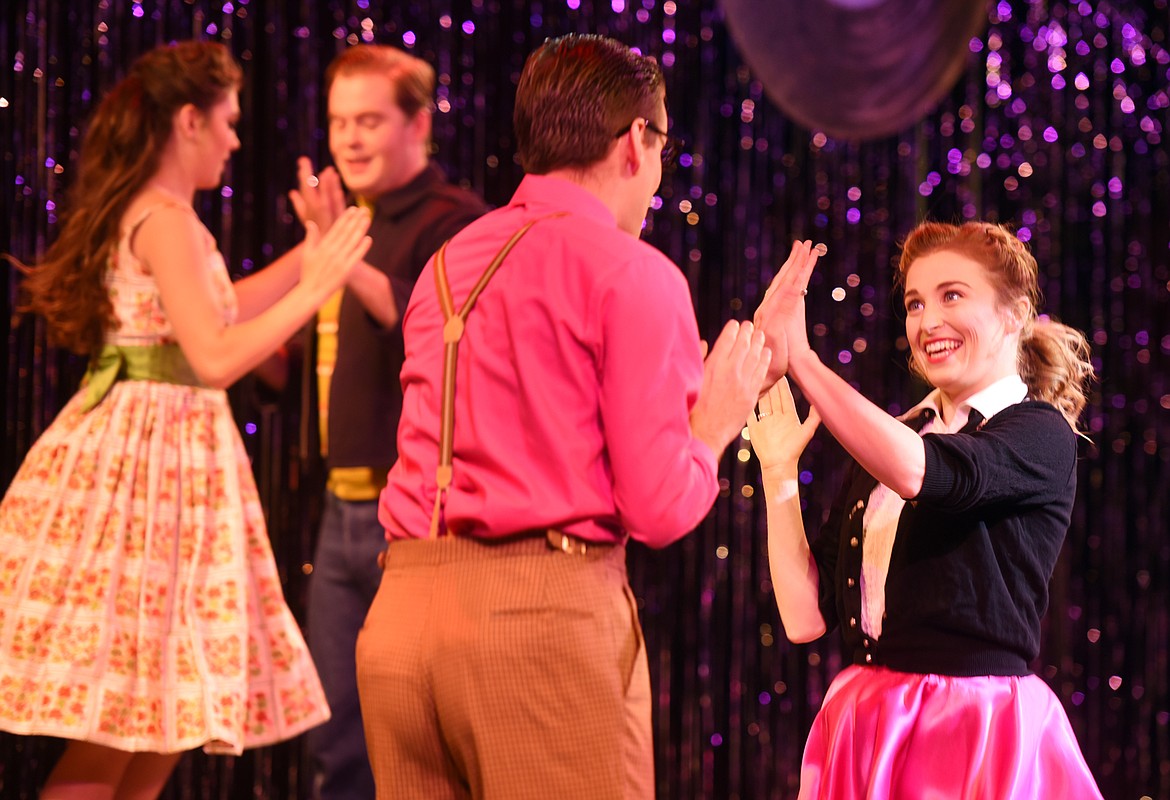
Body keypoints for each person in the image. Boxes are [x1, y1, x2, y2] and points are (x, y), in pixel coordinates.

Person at [354, 34, 770, 800]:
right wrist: (714, 422)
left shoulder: (449, 261)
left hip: (400, 625)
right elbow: (657, 509)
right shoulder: (632, 273)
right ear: (637, 142)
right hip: (534, 627)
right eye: (664, 144)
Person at [0, 41, 372, 800]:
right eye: (229, 122)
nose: (237, 139)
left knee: (160, 722)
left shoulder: (166, 216)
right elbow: (212, 355)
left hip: (176, 464)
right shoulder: (164, 218)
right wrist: (317, 287)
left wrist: (311, 255)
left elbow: (217, 308)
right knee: (117, 732)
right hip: (147, 471)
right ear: (190, 120)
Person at [748, 225, 1103, 798]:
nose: (927, 320)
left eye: (952, 295)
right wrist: (778, 471)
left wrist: (804, 362)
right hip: (869, 721)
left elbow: (928, 474)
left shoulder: (1039, 432)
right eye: (915, 303)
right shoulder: (901, 435)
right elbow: (805, 618)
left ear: (1013, 313)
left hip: (971, 726)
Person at [286, 44, 486, 800]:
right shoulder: (351, 224)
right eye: (339, 123)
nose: (350, 139)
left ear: (418, 123)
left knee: (411, 736)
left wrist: (342, 259)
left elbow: (443, 330)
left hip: (409, 521)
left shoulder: (456, 221)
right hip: (338, 510)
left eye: (369, 120)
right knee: (335, 739)